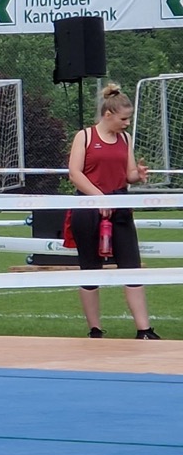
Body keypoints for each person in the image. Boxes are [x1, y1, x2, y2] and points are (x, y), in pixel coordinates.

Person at [68, 83, 159, 340]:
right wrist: (99, 198)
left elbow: (127, 174)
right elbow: (75, 174)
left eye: (129, 119)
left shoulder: (125, 139)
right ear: (108, 115)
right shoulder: (84, 137)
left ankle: (144, 329)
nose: (127, 124)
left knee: (131, 266)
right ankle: (95, 329)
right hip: (87, 207)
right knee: (90, 268)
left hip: (119, 206)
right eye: (123, 119)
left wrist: (138, 176)